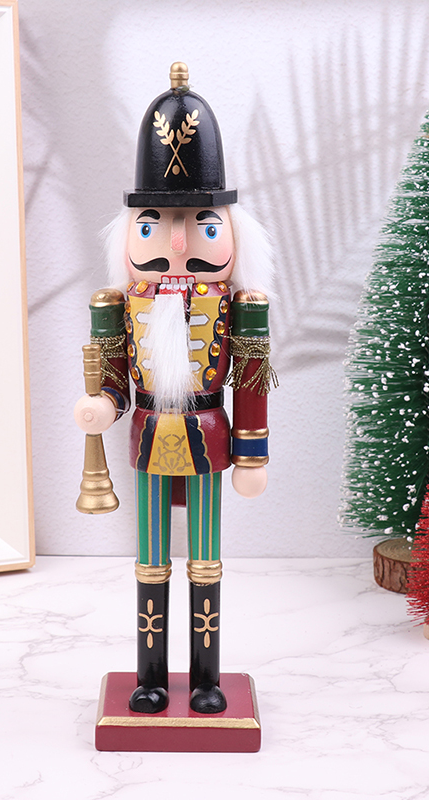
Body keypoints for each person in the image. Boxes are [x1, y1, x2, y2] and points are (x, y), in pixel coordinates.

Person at [75, 63, 274, 714]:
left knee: (207, 561)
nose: (180, 242)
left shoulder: (240, 306)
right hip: (149, 437)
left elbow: (251, 382)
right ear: (131, 231)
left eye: (204, 225)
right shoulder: (119, 302)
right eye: (155, 224)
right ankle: (152, 675)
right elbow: (113, 376)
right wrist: (102, 403)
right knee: (151, 561)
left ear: (231, 231)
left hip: (209, 437)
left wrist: (253, 452)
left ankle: (208, 677)